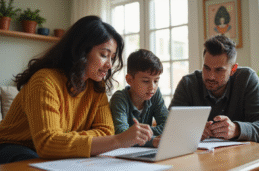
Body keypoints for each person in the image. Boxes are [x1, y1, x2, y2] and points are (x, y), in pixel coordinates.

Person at [0, 15, 153, 164]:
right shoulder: (45, 80)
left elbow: (106, 131)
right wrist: (118, 140)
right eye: (104, 55)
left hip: (55, 153)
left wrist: (63, 140)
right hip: (13, 146)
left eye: (112, 57)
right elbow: (48, 143)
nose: (110, 65)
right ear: (81, 51)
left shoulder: (96, 87)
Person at [169, 35, 259, 171]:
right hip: (199, 151)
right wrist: (192, 132)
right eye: (206, 68)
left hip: (241, 149)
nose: (211, 76)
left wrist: (236, 129)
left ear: (233, 69)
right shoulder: (188, 83)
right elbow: (168, 124)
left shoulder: (247, 78)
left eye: (219, 70)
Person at [110, 49, 168, 147]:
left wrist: (142, 134)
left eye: (156, 81)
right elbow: (122, 134)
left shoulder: (155, 94)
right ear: (129, 80)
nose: (152, 87)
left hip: (143, 151)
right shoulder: (119, 98)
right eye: (146, 81)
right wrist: (152, 139)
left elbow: (169, 126)